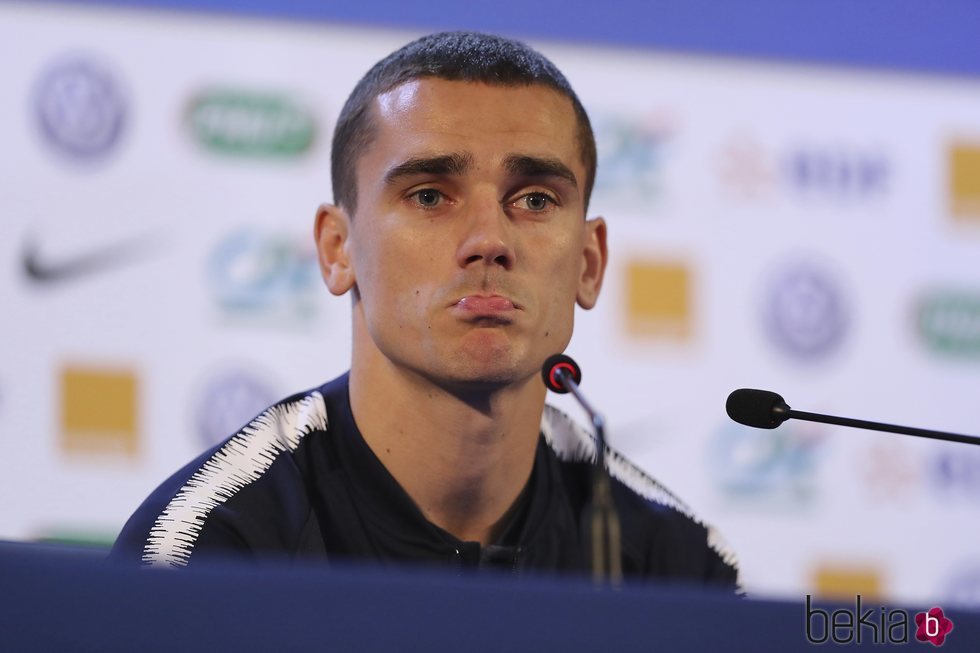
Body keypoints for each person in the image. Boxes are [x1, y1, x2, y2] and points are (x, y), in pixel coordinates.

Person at [110, 31, 739, 587]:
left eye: (536, 200)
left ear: (589, 261)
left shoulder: (680, 567)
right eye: (431, 194)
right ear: (337, 249)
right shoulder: (206, 552)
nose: (489, 240)